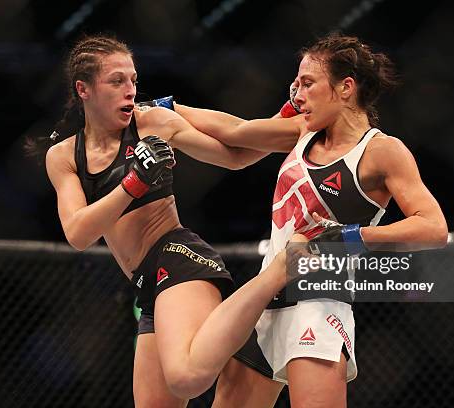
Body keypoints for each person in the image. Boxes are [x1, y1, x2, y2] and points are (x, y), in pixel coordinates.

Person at [30, 34, 311, 407]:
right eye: (116, 81)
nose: (130, 90)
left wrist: (288, 113)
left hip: (178, 259)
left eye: (133, 80)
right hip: (147, 285)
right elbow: (79, 232)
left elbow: (236, 155)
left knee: (187, 378)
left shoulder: (153, 123)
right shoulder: (64, 156)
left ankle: (273, 278)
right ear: (84, 89)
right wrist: (134, 183)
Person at [175, 33, 448, 407]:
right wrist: (165, 108)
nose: (297, 95)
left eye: (308, 84)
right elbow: (235, 131)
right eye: (295, 84)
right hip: (264, 299)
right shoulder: (303, 131)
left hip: (316, 302)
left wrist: (349, 237)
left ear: (345, 88)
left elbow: (433, 227)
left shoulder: (382, 151)